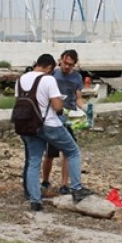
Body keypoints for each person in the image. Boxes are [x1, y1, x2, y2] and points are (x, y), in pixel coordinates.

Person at [19, 53, 94, 212]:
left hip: (27, 124)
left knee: (34, 161)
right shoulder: (48, 79)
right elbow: (57, 106)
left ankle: (35, 200)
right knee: (72, 151)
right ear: (48, 67)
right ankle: (77, 189)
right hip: (49, 124)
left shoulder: (22, 79)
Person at [41, 49, 85, 195]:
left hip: (69, 118)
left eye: (70, 65)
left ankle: (64, 184)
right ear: (60, 60)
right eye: (65, 63)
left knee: (68, 152)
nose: (67, 67)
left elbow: (78, 97)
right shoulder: (52, 74)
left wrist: (84, 109)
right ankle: (45, 181)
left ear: (74, 65)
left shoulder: (77, 78)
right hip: (52, 117)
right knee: (50, 153)